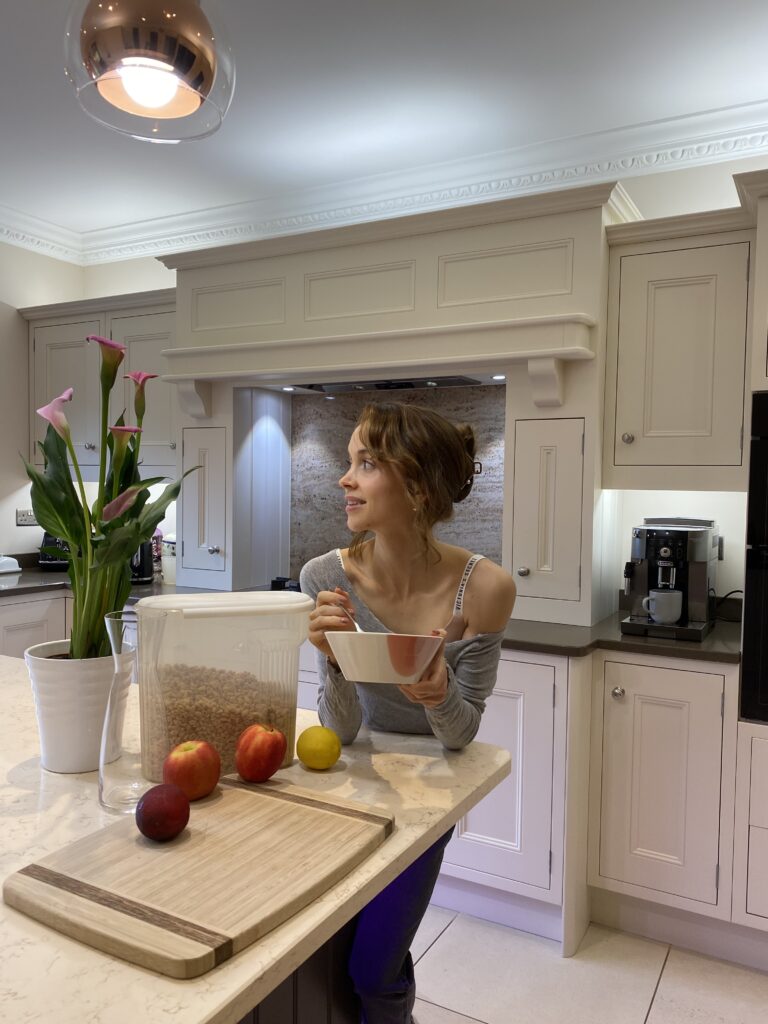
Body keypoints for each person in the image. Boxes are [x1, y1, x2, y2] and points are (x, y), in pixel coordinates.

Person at [299, 400, 516, 1024]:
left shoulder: (485, 587)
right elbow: (338, 732)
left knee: (372, 966)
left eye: (366, 464)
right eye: (349, 462)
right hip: (350, 789)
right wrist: (335, 659)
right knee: (324, 952)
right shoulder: (326, 578)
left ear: (416, 485)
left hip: (429, 799)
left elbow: (461, 734)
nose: (345, 479)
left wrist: (437, 693)